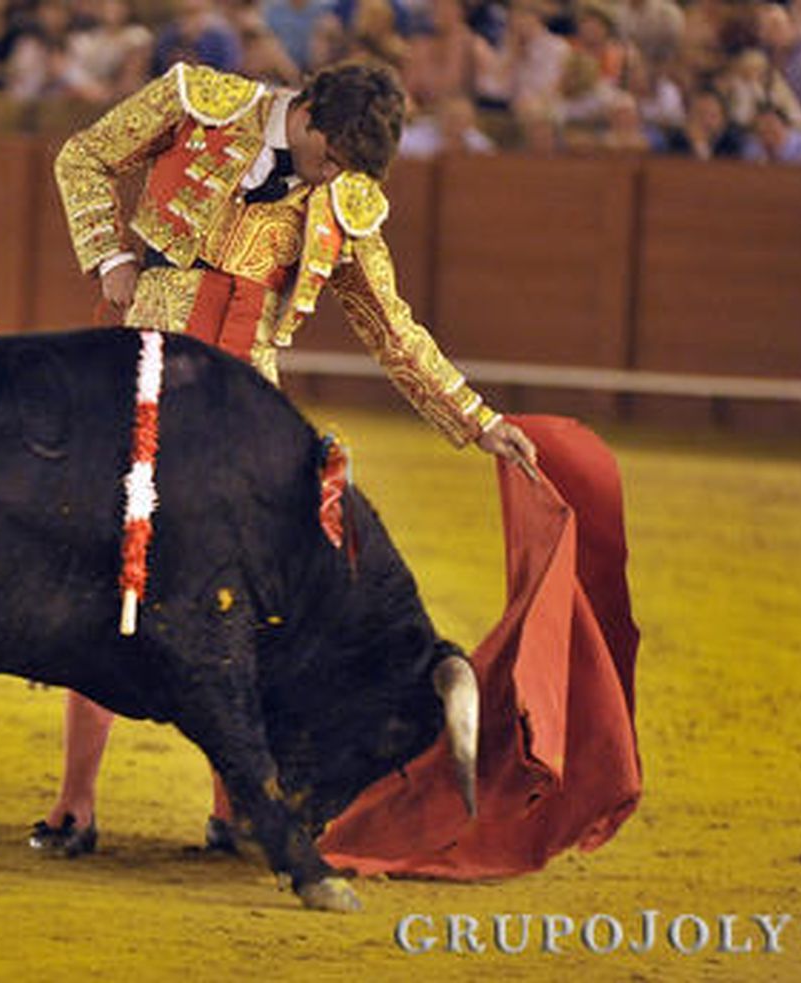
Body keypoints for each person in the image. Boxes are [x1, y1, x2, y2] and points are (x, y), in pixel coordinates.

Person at [36, 60, 538, 857]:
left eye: (346, 170)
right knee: (114, 587)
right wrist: (110, 259)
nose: (332, 179)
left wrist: (480, 422)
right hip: (138, 379)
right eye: (329, 158)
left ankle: (233, 811)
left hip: (243, 419)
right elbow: (83, 156)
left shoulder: (344, 195)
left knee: (245, 608)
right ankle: (74, 805)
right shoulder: (198, 101)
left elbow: (392, 328)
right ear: (304, 116)